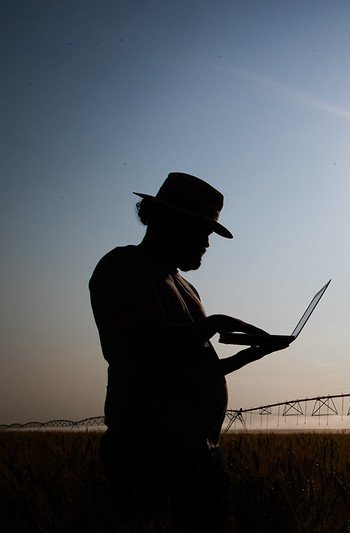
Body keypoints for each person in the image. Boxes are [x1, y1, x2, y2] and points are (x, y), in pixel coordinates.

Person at [89, 172, 289, 529]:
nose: (207, 244)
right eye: (203, 231)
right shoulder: (123, 267)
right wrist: (212, 324)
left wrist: (248, 355)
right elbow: (136, 351)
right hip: (150, 456)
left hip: (202, 454)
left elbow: (186, 368)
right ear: (168, 221)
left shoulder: (186, 286)